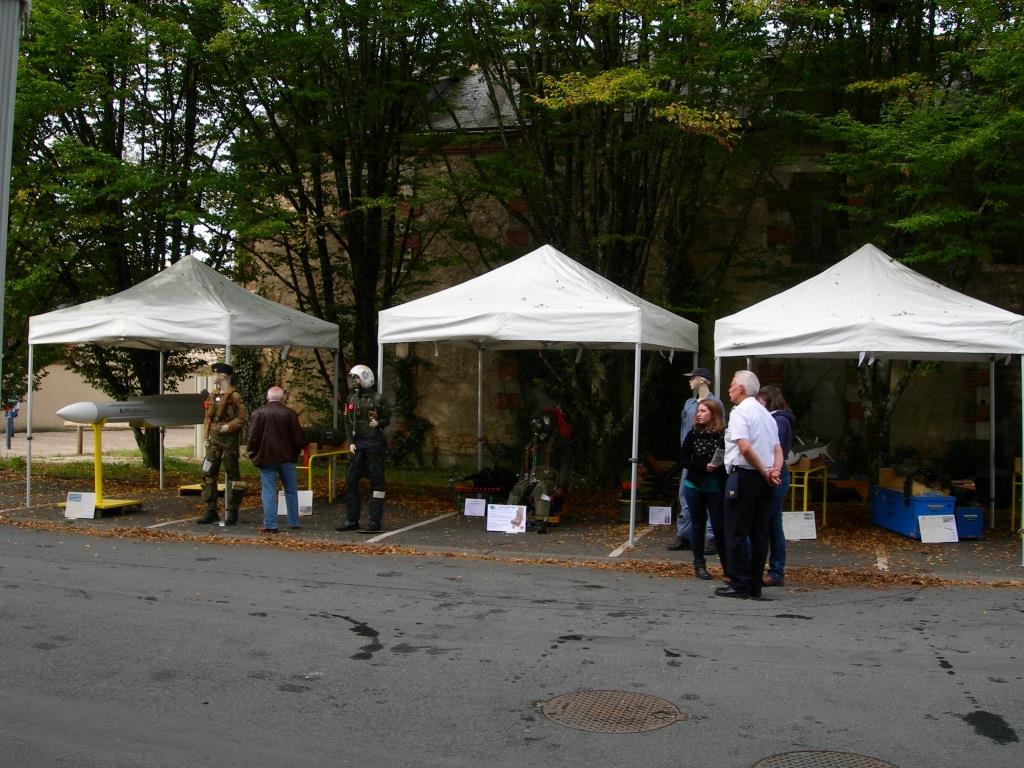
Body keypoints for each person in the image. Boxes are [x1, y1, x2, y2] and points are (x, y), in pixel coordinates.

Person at [715, 370, 783, 599]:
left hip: (743, 476)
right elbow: (777, 449)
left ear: (741, 389)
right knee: (759, 531)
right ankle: (755, 583)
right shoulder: (766, 414)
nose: (729, 389)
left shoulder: (740, 412)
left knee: (736, 530)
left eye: (732, 385)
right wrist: (773, 470)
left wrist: (765, 471)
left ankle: (739, 582)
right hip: (763, 479)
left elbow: (744, 447)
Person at [673, 399, 727, 580]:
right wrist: (703, 467)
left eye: (703, 411)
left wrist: (716, 468)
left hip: (715, 486)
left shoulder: (722, 436)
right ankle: (699, 564)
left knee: (719, 526)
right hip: (694, 484)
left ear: (713, 414)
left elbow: (728, 460)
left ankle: (727, 566)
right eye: (698, 411)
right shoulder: (693, 433)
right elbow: (683, 458)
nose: (698, 414)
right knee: (698, 525)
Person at [667, 367, 720, 552]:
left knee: (710, 496)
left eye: (693, 378)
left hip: (706, 458)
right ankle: (685, 535)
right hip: (689, 457)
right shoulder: (689, 403)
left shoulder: (715, 403)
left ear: (703, 380)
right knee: (684, 495)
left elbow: (719, 430)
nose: (690, 381)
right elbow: (684, 430)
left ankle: (711, 537)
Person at [336, 364, 390, 534]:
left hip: (374, 443)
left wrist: (379, 423)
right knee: (351, 480)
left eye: (357, 378)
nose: (354, 382)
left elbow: (387, 418)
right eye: (353, 378)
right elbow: (346, 422)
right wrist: (350, 440)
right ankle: (352, 519)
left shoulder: (378, 399)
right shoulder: (351, 398)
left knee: (377, 481)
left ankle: (374, 521)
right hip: (357, 443)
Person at [246, 386, 307, 534]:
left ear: (268, 397)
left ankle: (271, 524)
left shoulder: (258, 413)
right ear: (282, 398)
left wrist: (252, 453)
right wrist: (296, 451)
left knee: (268, 491)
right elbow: (297, 438)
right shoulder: (290, 414)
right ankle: (293, 521)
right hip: (287, 458)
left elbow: (253, 437)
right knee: (291, 490)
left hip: (266, 457)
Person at [197, 362, 249, 525]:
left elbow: (243, 418)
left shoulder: (235, 396)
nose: (213, 377)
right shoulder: (212, 395)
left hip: (228, 440)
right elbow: (207, 418)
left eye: (215, 374)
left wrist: (229, 426)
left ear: (223, 376)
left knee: (233, 476)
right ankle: (210, 510)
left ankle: (232, 510)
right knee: (207, 474)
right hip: (213, 439)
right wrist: (205, 437)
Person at [507, 410, 571, 534]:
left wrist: (561, 485)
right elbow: (524, 465)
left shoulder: (560, 443)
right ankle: (509, 519)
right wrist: (521, 478)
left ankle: (541, 522)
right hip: (531, 476)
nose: (536, 425)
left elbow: (565, 465)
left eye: (538, 422)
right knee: (517, 490)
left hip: (549, 478)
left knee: (540, 491)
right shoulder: (531, 444)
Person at [757, 385, 796, 587]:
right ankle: (776, 570)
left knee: (769, 524)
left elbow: (774, 448)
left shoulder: (778, 421)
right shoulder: (782, 419)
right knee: (774, 525)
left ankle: (775, 570)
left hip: (775, 474)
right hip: (779, 473)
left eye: (760, 401)